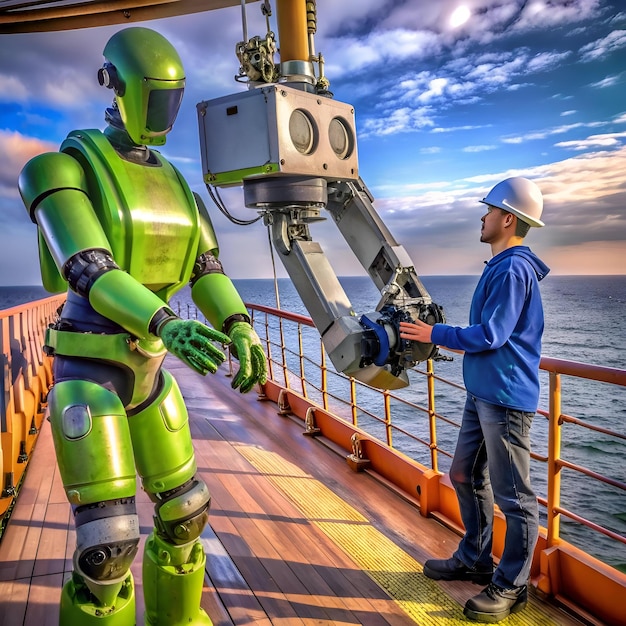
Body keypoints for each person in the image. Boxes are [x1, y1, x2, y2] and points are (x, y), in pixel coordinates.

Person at [18, 27, 267, 625]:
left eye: (172, 99)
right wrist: (163, 319)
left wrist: (239, 325)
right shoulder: (61, 168)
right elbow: (89, 269)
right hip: (93, 373)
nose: (165, 113)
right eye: (156, 97)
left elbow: (206, 268)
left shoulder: (179, 188)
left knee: (186, 515)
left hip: (151, 372)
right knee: (109, 548)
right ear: (116, 87)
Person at [399, 176, 549, 623]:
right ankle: (475, 557)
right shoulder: (502, 266)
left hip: (503, 398)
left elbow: (492, 335)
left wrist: (434, 334)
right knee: (462, 473)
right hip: (482, 391)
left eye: (487, 211)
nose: (481, 217)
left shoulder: (512, 269)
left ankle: (511, 584)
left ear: (507, 219)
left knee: (514, 497)